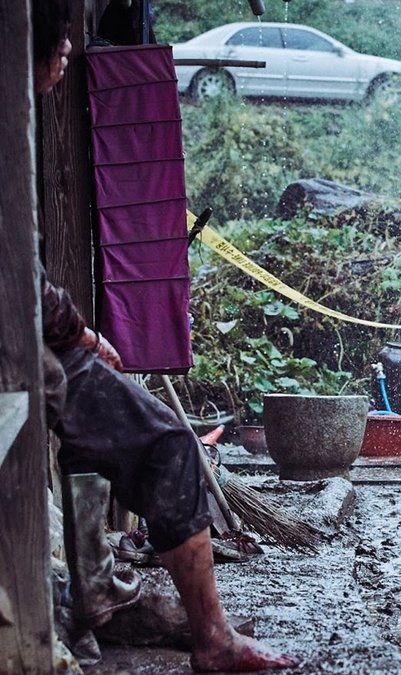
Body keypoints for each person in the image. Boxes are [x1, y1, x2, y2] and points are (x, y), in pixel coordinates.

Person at [31, 1, 296, 671]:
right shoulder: (11, 130)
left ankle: (97, 595)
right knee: (171, 445)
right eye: (59, 41)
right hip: (27, 348)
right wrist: (80, 333)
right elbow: (21, 280)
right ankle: (212, 639)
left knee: (113, 439)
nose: (68, 51)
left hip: (35, 340)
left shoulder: (21, 122)